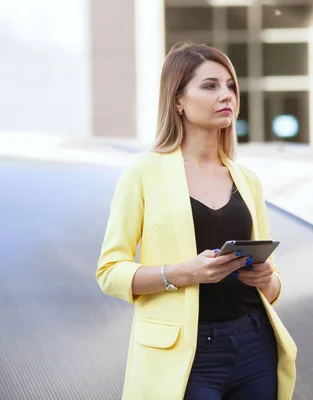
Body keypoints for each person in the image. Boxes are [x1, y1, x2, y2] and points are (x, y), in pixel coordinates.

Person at [96, 41, 297, 400]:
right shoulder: (143, 173)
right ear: (178, 100)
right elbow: (110, 272)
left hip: (255, 344)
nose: (227, 95)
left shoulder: (246, 179)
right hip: (185, 353)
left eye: (230, 85)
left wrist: (267, 280)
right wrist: (183, 273)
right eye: (210, 86)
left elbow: (274, 282)